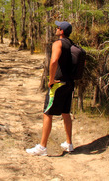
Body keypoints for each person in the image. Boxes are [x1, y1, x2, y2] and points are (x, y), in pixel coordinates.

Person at [26, 21, 75, 156]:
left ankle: (42, 147)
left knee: (48, 113)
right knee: (66, 113)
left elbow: (53, 61)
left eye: (58, 28)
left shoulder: (58, 44)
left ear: (62, 31)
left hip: (58, 84)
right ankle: (69, 144)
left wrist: (51, 79)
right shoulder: (72, 44)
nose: (56, 29)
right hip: (69, 83)